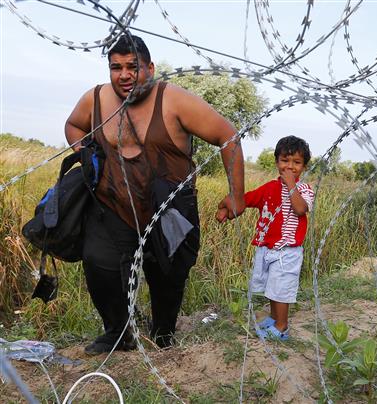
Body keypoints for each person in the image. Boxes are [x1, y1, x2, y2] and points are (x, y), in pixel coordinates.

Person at [65, 34, 245, 354]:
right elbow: (74, 125)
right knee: (99, 264)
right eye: (116, 67)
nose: (124, 75)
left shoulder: (174, 100)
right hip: (114, 206)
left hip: (168, 209)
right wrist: (85, 152)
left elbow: (227, 135)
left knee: (167, 278)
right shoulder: (96, 99)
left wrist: (237, 194)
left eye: (132, 67)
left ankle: (163, 336)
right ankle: (118, 333)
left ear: (150, 68)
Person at [218, 136, 314, 341]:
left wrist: (291, 185)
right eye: (285, 160)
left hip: (287, 251)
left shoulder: (304, 190)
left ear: (304, 167)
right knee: (272, 287)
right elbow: (246, 200)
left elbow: (300, 209)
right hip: (267, 249)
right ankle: (273, 318)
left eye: (297, 162)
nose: (290, 166)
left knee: (281, 290)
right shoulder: (269, 188)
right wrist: (227, 208)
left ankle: (281, 327)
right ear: (277, 162)